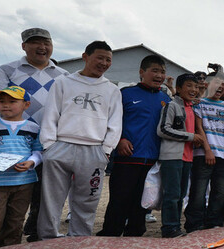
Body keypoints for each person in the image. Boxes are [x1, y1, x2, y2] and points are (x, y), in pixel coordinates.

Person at [37, 41, 122, 239]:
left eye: (108, 60)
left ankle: (79, 239)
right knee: (51, 199)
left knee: (88, 200)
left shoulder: (111, 90)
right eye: (99, 57)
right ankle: (47, 239)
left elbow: (115, 123)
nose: (103, 63)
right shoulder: (63, 82)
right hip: (61, 146)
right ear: (85, 56)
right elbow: (51, 114)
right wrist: (49, 146)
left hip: (94, 149)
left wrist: (106, 150)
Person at [0, 28, 68, 242]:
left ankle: (35, 234)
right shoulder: (6, 70)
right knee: (8, 195)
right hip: (14, 143)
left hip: (50, 143)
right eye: (35, 42)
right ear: (24, 46)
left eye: (46, 42)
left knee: (45, 194)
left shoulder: (63, 75)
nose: (42, 47)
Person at [98, 55, 170, 237]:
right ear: (141, 72)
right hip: (127, 158)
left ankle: (135, 236)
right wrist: (120, 139)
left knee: (142, 202)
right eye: (154, 70)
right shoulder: (125, 94)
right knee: (119, 200)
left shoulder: (166, 99)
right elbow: (111, 121)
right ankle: (110, 234)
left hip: (153, 160)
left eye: (162, 72)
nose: (159, 75)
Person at [156, 73, 205, 238]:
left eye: (196, 86)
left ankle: (175, 226)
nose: (193, 90)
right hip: (172, 157)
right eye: (189, 86)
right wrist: (191, 137)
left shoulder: (191, 107)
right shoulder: (171, 106)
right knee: (172, 194)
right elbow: (162, 129)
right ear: (178, 88)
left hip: (187, 157)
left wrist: (194, 139)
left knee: (181, 194)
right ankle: (169, 228)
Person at [0, 86, 42, 246]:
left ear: (26, 105)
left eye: (12, 101)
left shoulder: (33, 128)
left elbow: (39, 151)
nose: (5, 105)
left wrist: (32, 162)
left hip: (23, 183)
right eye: (1, 101)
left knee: (15, 221)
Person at [184, 75, 224, 232]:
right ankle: (194, 223)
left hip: (223, 155)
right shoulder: (199, 103)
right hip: (203, 154)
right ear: (207, 85)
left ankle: (213, 221)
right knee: (199, 191)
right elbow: (199, 127)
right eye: (217, 83)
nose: (221, 87)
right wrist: (207, 150)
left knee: (219, 192)